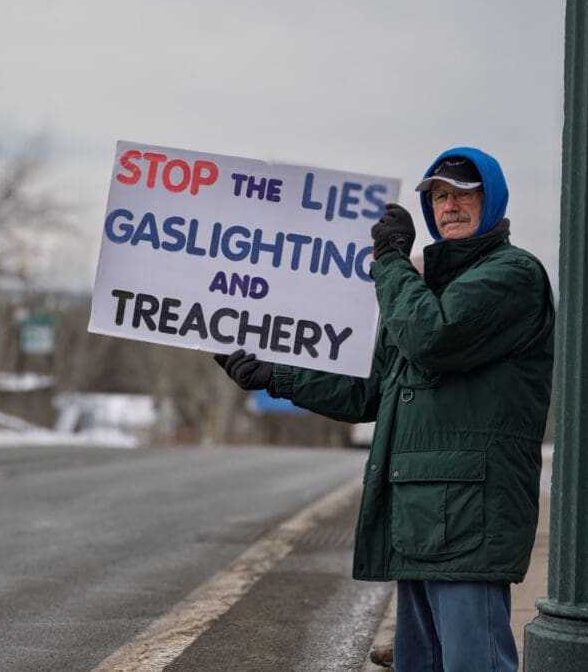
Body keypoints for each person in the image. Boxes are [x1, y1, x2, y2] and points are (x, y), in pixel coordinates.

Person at [214, 146, 554, 671]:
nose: (450, 206)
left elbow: (432, 338)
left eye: (464, 194)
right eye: (440, 196)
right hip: (418, 513)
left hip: (470, 514)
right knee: (421, 664)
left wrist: (391, 261)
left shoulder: (513, 275)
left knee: (473, 664)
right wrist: (273, 375)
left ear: (492, 200)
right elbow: (367, 392)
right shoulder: (421, 287)